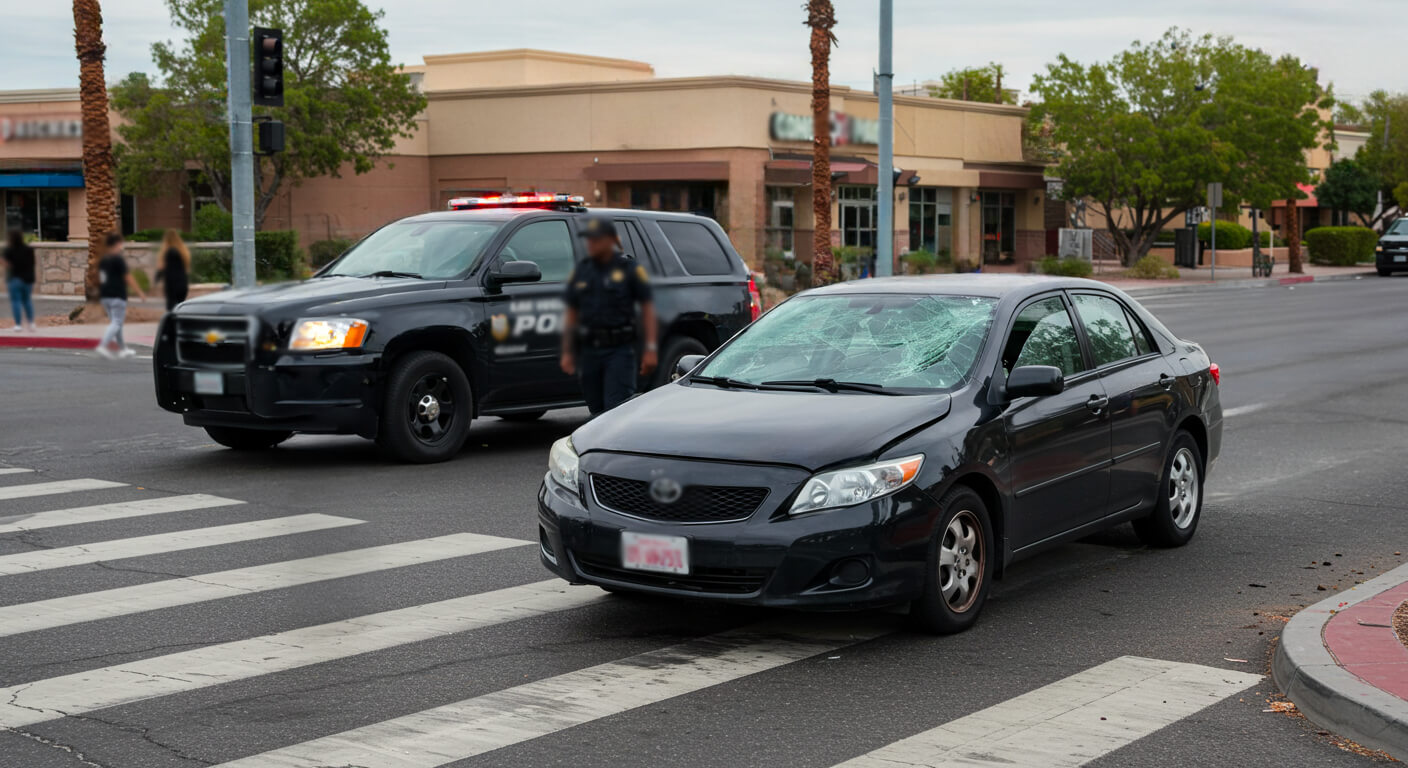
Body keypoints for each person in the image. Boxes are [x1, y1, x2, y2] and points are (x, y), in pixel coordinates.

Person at [561, 216, 657, 415]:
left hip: (619, 351)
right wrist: (568, 350)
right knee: (595, 411)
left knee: (616, 410)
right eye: (589, 239)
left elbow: (648, 308)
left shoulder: (629, 269)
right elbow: (572, 311)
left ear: (610, 240)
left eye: (596, 239)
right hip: (589, 351)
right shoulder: (583, 270)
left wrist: (650, 349)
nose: (591, 244)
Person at [96, 232, 147, 359]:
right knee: (117, 323)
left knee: (116, 323)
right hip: (117, 295)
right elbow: (128, 277)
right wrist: (140, 292)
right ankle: (102, 345)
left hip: (105, 296)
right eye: (120, 243)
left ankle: (123, 349)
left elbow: (101, 278)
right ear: (117, 244)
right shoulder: (118, 260)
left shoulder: (104, 260)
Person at [3, 229, 36, 332]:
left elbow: (5, 263)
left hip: (15, 278)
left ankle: (18, 325)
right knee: (27, 301)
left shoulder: (9, 250)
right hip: (28, 279)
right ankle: (31, 323)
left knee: (16, 302)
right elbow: (33, 263)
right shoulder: (28, 250)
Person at [155, 229, 190, 310]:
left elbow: (162, 268)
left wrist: (156, 280)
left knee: (171, 309)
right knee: (180, 307)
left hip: (172, 284)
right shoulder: (183, 252)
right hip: (182, 283)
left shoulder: (168, 252)